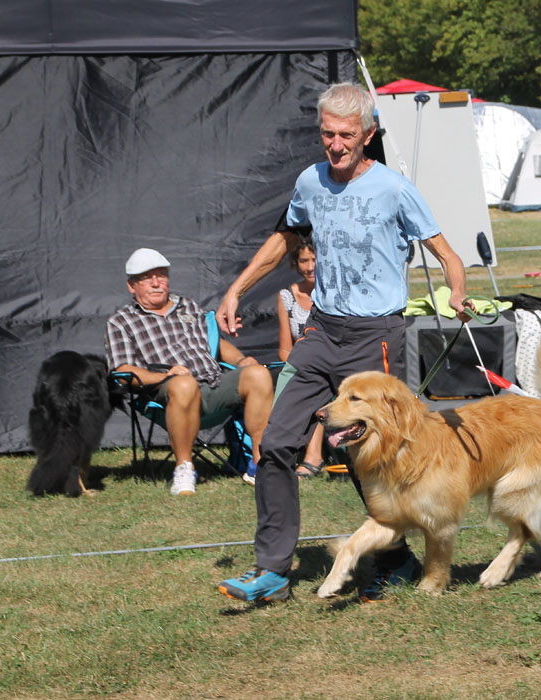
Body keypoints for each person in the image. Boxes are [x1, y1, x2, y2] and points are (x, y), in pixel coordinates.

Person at [214, 82, 471, 603]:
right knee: (275, 444)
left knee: (374, 458)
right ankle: (273, 572)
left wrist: (457, 290)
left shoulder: (394, 189)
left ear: (368, 134)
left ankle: (396, 557)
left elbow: (448, 256)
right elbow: (285, 238)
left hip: (375, 338)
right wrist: (236, 289)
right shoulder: (309, 182)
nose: (335, 145)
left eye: (346, 135)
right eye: (327, 134)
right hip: (321, 331)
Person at [105, 248, 274, 495]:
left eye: (161, 276)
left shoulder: (188, 306)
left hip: (213, 385)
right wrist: (167, 376)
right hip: (165, 394)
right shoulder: (121, 321)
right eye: (146, 278)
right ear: (132, 286)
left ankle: (261, 463)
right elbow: (123, 369)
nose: (156, 283)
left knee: (258, 373)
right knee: (184, 383)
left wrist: (241, 360)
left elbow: (215, 344)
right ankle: (185, 468)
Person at [274, 237, 328, 481]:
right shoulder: (287, 296)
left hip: (332, 362)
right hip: (301, 363)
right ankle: (279, 454)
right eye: (304, 261)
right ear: (295, 264)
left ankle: (314, 454)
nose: (309, 267)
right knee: (308, 379)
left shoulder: (333, 293)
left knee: (318, 381)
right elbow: (284, 349)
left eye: (314, 260)